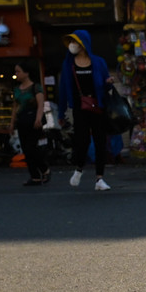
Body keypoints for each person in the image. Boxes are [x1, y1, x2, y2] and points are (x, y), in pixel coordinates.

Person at [58, 30, 113, 190]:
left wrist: (108, 83)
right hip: (79, 108)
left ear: (83, 44)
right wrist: (61, 112)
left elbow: (106, 85)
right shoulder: (68, 64)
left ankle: (99, 179)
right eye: (70, 42)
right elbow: (63, 89)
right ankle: (79, 168)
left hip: (98, 106)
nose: (72, 45)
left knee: (100, 141)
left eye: (74, 42)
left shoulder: (98, 62)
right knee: (81, 141)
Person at [10, 61, 49, 186]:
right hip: (22, 120)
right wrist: (12, 123)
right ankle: (35, 176)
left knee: (32, 147)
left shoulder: (35, 87)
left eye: (18, 71)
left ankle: (44, 168)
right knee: (26, 149)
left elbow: (40, 104)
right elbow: (15, 107)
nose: (16, 74)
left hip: (33, 120)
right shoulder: (17, 89)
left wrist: (38, 118)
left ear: (26, 73)